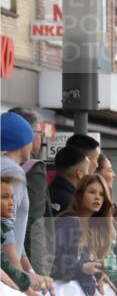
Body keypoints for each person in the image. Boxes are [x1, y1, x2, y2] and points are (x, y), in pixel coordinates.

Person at [52, 174, 117, 296]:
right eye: (92, 192)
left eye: (102, 194)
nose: (98, 197)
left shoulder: (96, 227)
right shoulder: (69, 222)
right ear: (79, 195)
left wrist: (98, 273)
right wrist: (83, 269)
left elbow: (116, 263)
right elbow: (55, 261)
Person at [8, 108, 54, 276]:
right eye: (38, 132)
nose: (40, 138)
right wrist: (37, 270)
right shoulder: (32, 168)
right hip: (21, 261)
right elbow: (33, 221)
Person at [1, 176, 53, 296]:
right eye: (4, 197)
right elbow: (6, 266)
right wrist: (29, 288)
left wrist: (30, 277)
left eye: (12, 197)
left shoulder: (4, 227)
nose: (12, 202)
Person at [1, 112, 35, 280]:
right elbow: (5, 224)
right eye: (31, 138)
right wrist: (17, 272)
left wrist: (27, 268)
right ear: (22, 141)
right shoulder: (13, 171)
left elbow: (15, 227)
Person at [48, 145, 89, 216]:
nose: (88, 174)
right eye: (87, 170)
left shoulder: (45, 193)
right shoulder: (74, 204)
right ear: (80, 174)